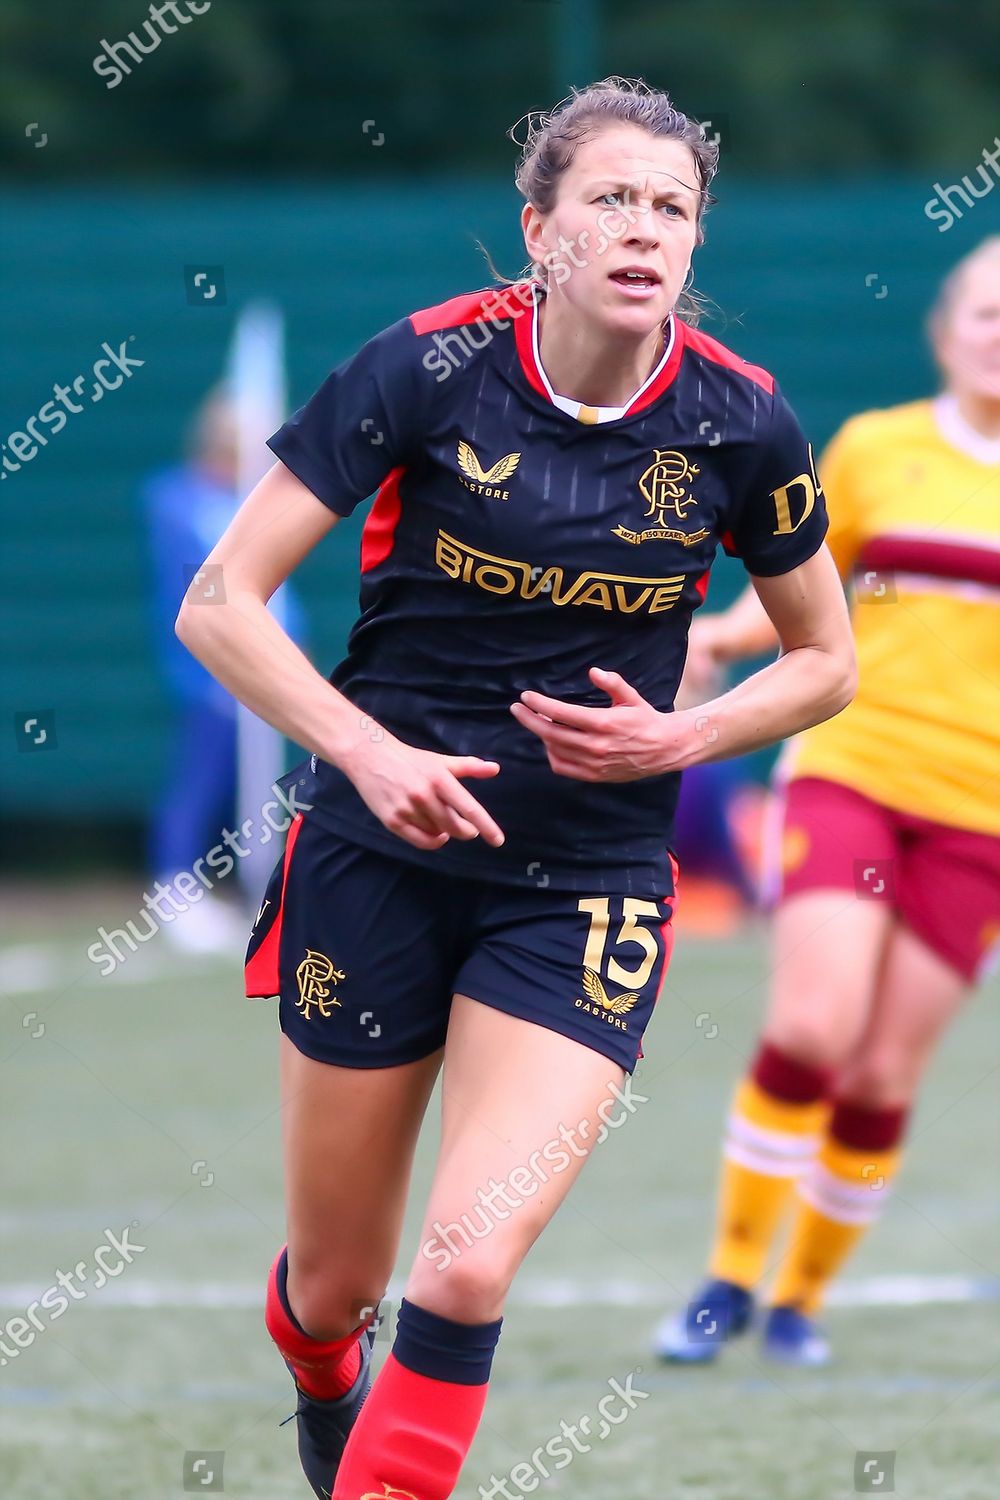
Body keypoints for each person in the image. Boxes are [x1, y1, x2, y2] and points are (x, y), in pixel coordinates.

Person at [176, 77, 854, 1500]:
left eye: (674, 208)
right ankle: (322, 1373)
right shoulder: (422, 371)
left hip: (587, 881)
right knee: (337, 1288)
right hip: (374, 857)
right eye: (611, 197)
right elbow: (223, 603)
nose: (645, 228)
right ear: (539, 227)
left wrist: (683, 740)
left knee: (469, 1256)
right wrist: (365, 750)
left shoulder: (743, 424)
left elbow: (823, 663)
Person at [656, 235, 1000, 1368]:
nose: (996, 334)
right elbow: (801, 593)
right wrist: (715, 636)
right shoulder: (874, 448)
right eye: (982, 312)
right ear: (944, 329)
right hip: (850, 767)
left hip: (979, 816)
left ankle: (798, 1300)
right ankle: (724, 1282)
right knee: (811, 1025)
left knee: (884, 1072)